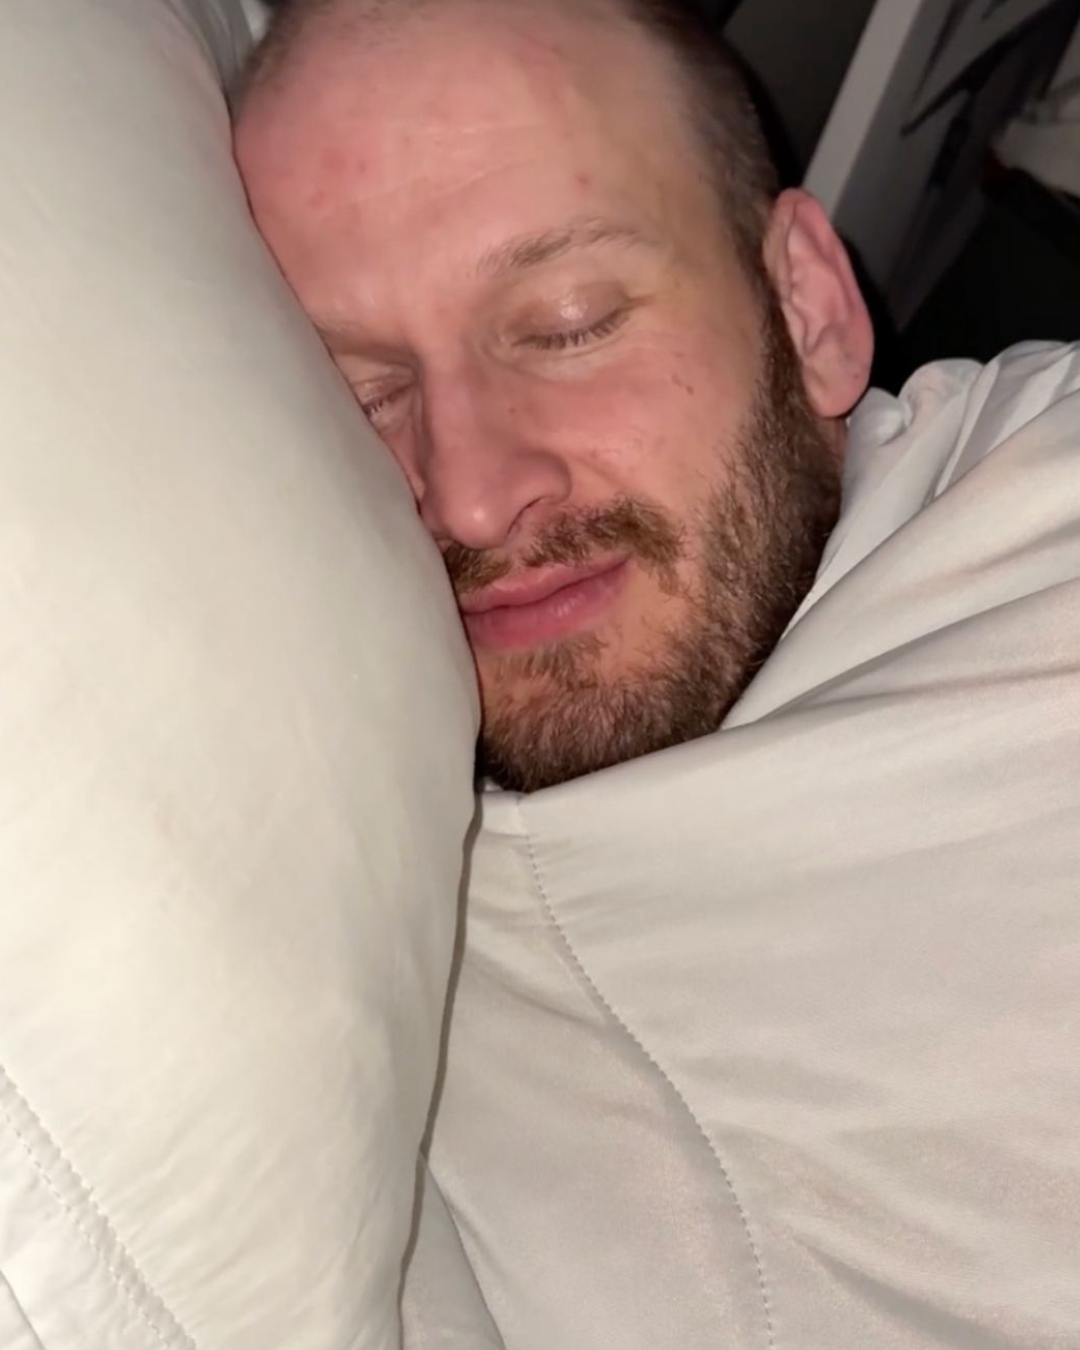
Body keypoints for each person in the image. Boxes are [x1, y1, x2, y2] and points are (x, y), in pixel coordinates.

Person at [234, 2, 1080, 1346]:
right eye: (360, 395)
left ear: (808, 307)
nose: (470, 495)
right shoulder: (328, 978)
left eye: (567, 324)